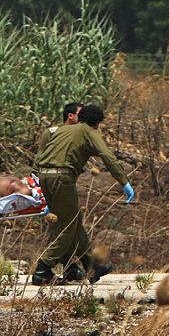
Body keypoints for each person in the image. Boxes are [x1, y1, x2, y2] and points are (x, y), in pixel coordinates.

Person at [32, 104, 134, 285]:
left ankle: (91, 267)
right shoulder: (89, 131)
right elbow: (107, 156)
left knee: (75, 220)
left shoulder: (63, 131)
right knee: (68, 225)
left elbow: (42, 156)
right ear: (97, 123)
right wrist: (124, 182)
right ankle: (43, 268)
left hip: (44, 177)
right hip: (62, 178)